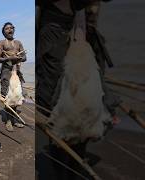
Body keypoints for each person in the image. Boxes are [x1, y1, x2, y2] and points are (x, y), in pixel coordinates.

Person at [36, 0, 119, 179]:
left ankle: (74, 168)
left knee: (87, 103)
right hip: (55, 33)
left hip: (82, 35)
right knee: (56, 109)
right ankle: (63, 171)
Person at [0, 22, 27, 132]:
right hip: (6, 71)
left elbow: (24, 57)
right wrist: (10, 59)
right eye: (6, 29)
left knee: (16, 95)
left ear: (14, 30)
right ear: (3, 32)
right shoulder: (1, 43)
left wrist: (18, 59)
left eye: (11, 28)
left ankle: (14, 119)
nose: (9, 30)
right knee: (6, 95)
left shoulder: (18, 43)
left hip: (16, 72)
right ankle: (8, 121)